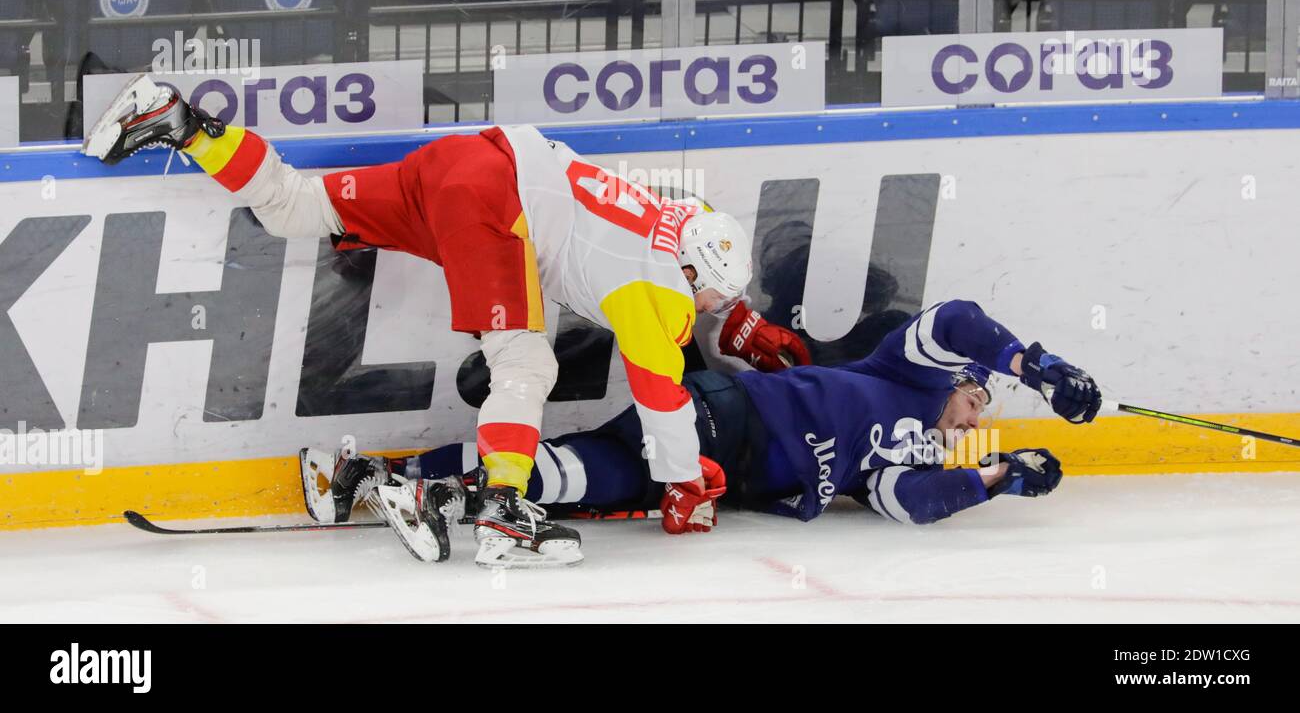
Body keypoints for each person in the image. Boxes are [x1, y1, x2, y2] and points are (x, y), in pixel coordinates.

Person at [81, 73, 809, 567]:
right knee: (527, 364)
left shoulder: (664, 220)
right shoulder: (661, 293)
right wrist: (684, 484)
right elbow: (663, 398)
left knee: (297, 203)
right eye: (713, 300)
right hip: (495, 203)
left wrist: (733, 319)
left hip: (469, 160)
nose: (710, 312)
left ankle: (182, 123)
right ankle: (502, 511)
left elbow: (656, 274)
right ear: (690, 277)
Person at [309, 299, 1099, 559]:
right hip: (723, 415)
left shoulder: (905, 461)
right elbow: (958, 318)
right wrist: (1039, 366)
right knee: (580, 474)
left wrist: (1000, 478)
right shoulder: (908, 373)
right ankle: (414, 478)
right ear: (962, 380)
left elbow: (915, 503)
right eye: (980, 402)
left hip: (708, 478)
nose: (977, 420)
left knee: (573, 479)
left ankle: (382, 479)